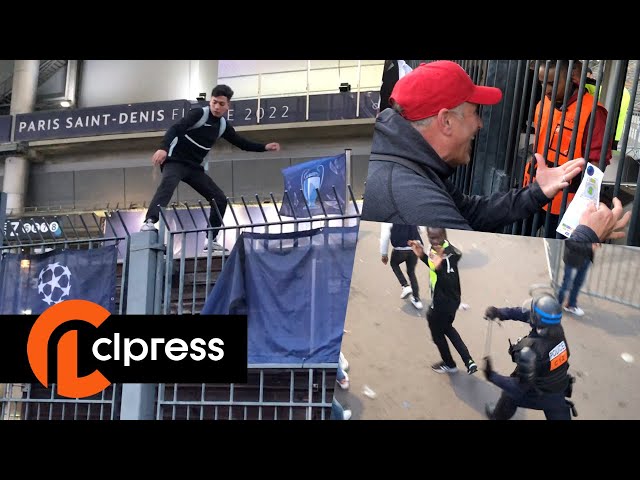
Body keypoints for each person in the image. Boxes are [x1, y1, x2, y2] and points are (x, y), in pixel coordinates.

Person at [361, 60, 587, 233]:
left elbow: (470, 211)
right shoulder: (413, 199)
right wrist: (586, 237)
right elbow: (469, 278)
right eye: (474, 113)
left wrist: (538, 192)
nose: (479, 124)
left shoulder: (412, 166)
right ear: (446, 121)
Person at [140, 84, 281, 250]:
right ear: (210, 101)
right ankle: (149, 222)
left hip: (194, 168)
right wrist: (163, 148)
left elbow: (242, 143)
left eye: (221, 104)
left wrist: (264, 147)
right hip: (175, 161)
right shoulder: (199, 114)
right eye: (214, 102)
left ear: (227, 106)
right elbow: (176, 128)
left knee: (219, 198)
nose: (216, 107)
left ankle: (211, 239)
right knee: (167, 185)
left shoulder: (222, 126)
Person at [522, 60, 612, 237]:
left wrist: (582, 205)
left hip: (565, 203)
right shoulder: (543, 104)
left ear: (571, 77)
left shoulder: (593, 112)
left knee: (553, 253)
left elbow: (597, 163)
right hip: (533, 190)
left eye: (552, 83)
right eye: (542, 83)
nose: (546, 89)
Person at [483, 293, 576, 420]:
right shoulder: (555, 329)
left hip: (539, 393)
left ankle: (497, 416)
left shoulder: (531, 352)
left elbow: (518, 388)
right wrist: (499, 312)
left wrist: (492, 376)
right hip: (558, 389)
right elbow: (525, 314)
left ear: (537, 319)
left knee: (510, 395)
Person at [408, 227, 477, 375]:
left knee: (437, 333)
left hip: (441, 304)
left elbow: (448, 281)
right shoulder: (443, 250)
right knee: (447, 328)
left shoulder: (446, 256)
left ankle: (449, 363)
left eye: (437, 237)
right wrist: (422, 255)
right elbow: (435, 265)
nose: (434, 241)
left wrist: (438, 267)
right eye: (431, 238)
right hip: (452, 303)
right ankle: (469, 360)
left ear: (444, 235)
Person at [380, 223, 424, 309]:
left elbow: (385, 236)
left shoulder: (389, 217)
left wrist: (384, 254)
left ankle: (405, 286)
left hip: (400, 249)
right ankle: (417, 300)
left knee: (394, 264)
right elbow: (421, 229)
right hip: (414, 248)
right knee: (411, 272)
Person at [557, 240, 598, 316]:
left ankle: (571, 305)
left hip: (587, 257)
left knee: (578, 283)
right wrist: (589, 247)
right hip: (573, 258)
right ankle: (556, 306)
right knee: (567, 284)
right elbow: (569, 242)